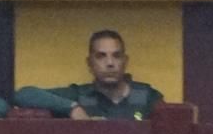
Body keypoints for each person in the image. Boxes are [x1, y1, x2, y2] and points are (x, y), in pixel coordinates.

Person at [13, 30, 164, 120]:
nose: (110, 63)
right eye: (101, 56)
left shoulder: (148, 97)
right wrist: (73, 108)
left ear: (125, 61)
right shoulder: (79, 95)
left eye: (116, 56)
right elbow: (23, 95)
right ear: (89, 63)